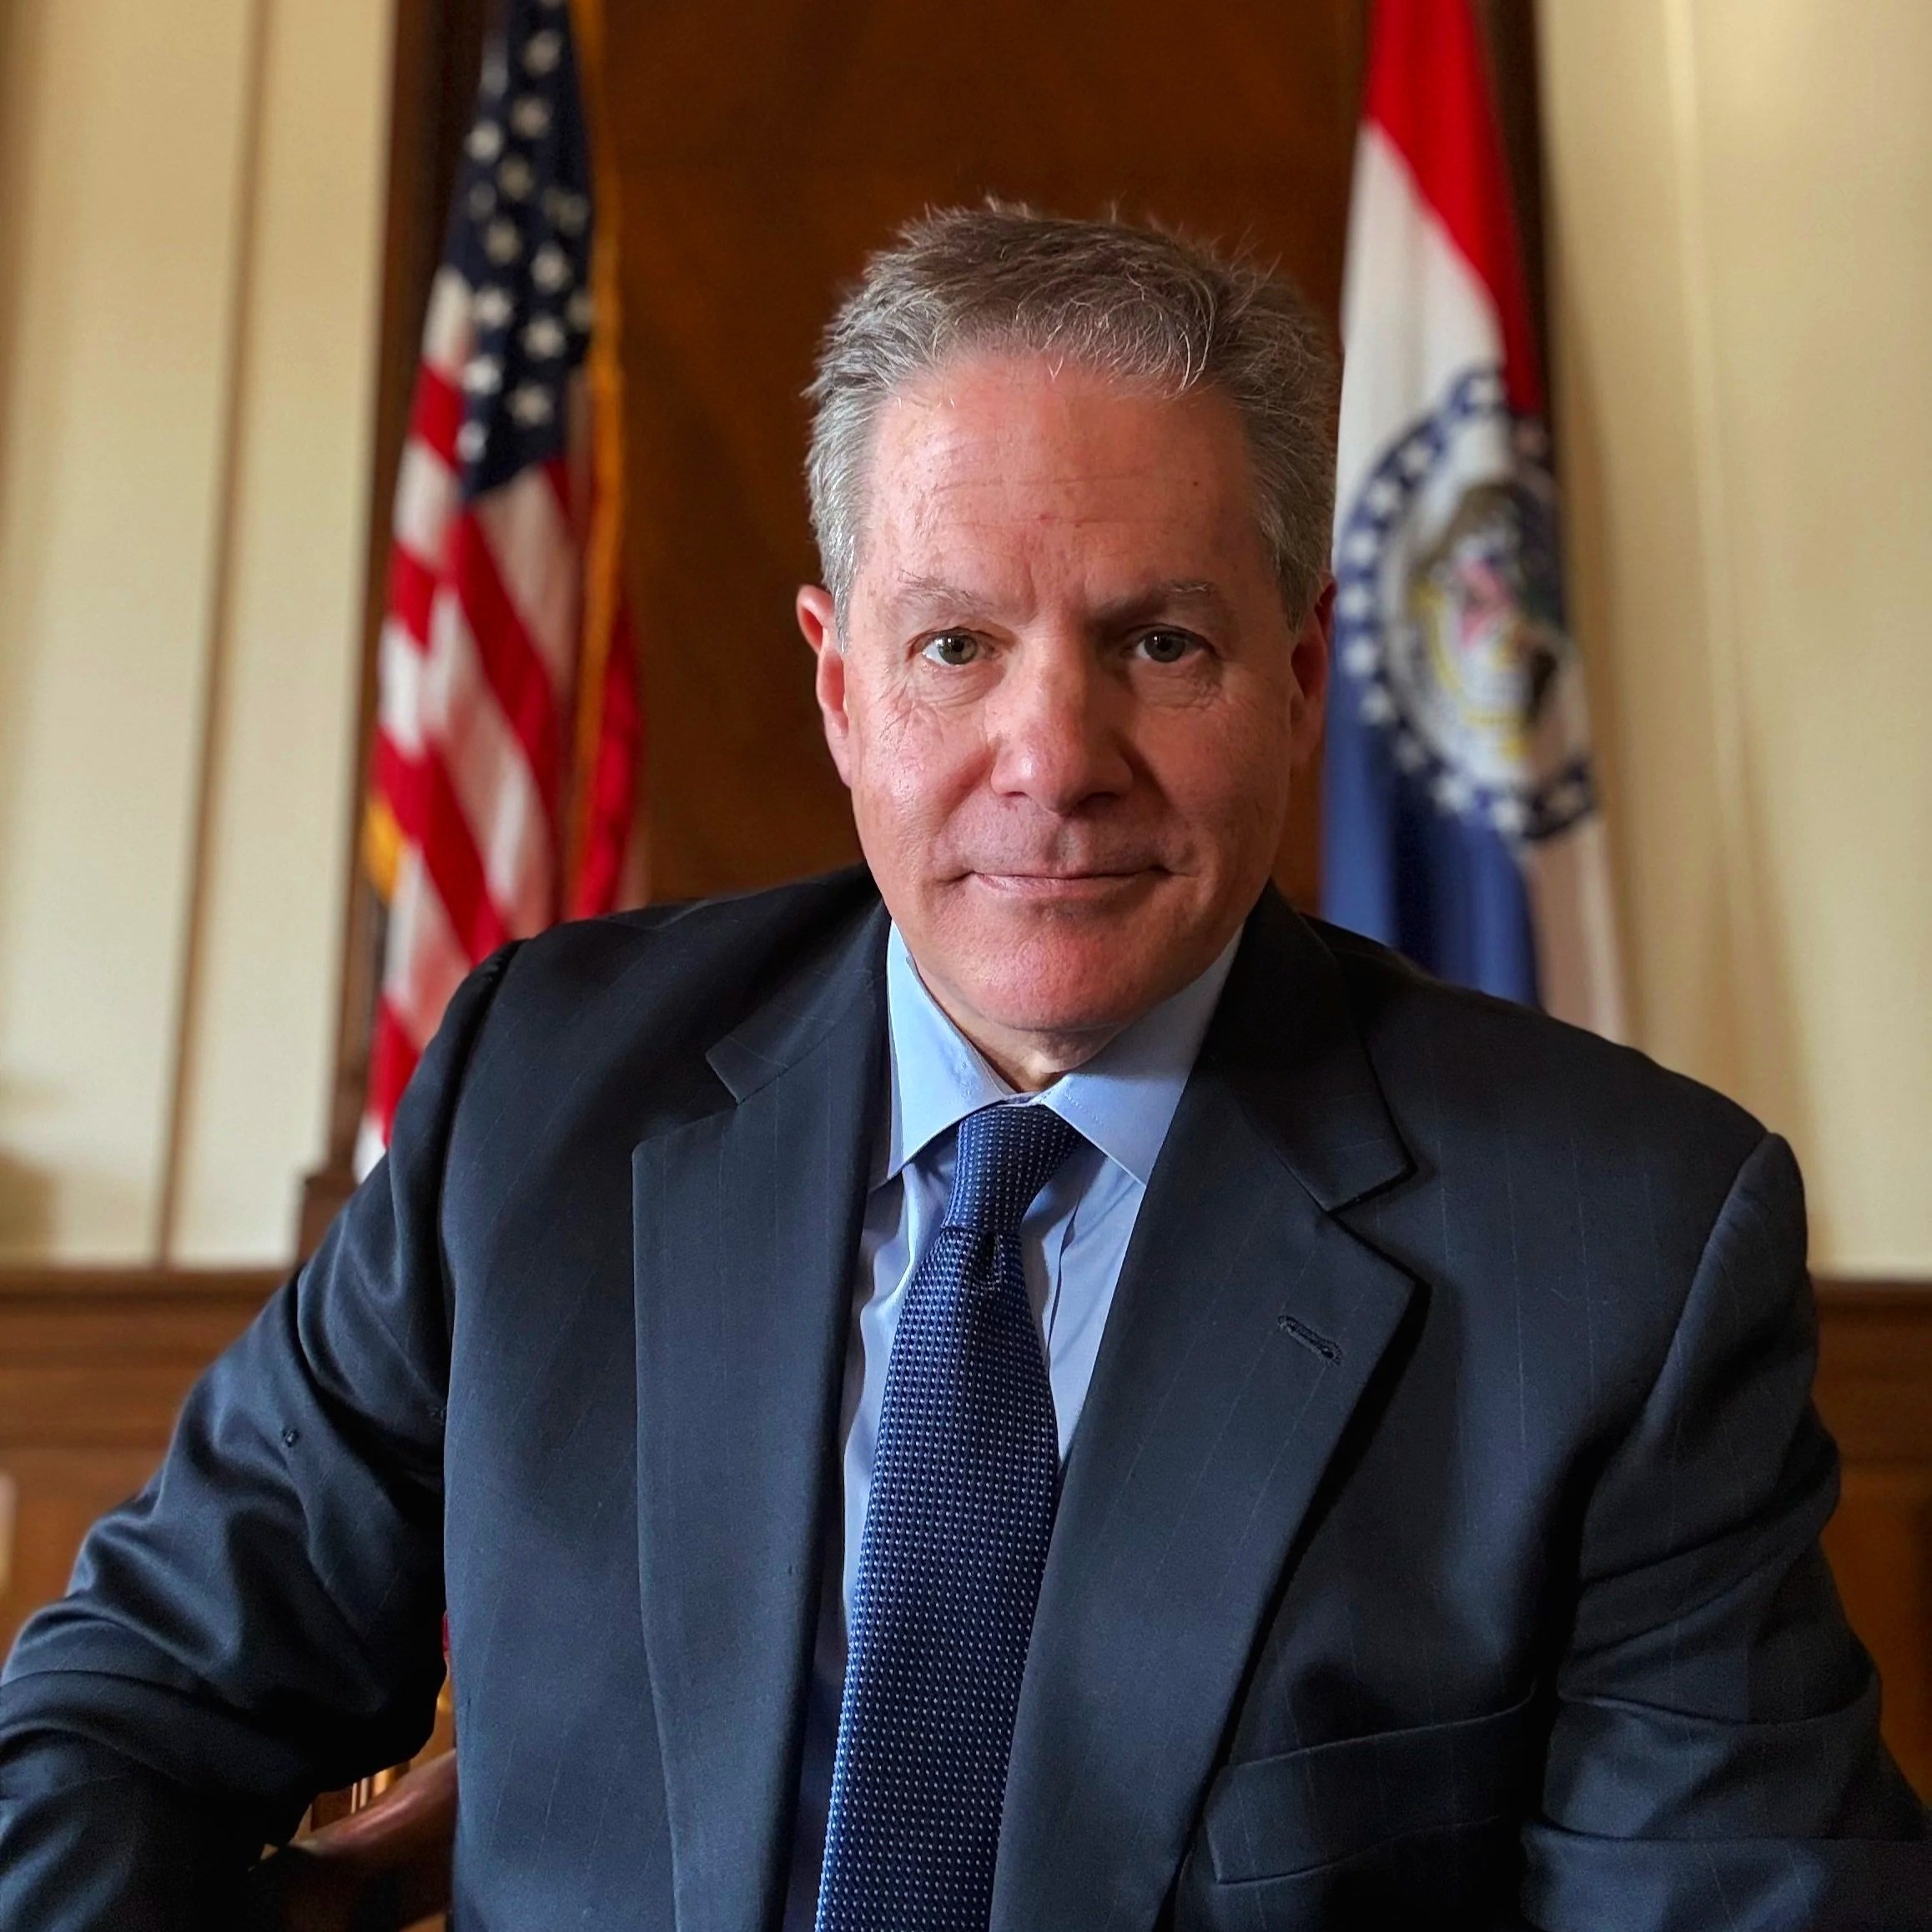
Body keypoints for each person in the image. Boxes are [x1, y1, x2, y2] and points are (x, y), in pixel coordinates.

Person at [2, 206, 1926, 1931]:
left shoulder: (1618, 1254)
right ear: (840, 684)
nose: (1053, 753)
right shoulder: (545, 1094)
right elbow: (116, 1717)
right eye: (955, 648)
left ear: (1302, 676)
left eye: (1161, 644)